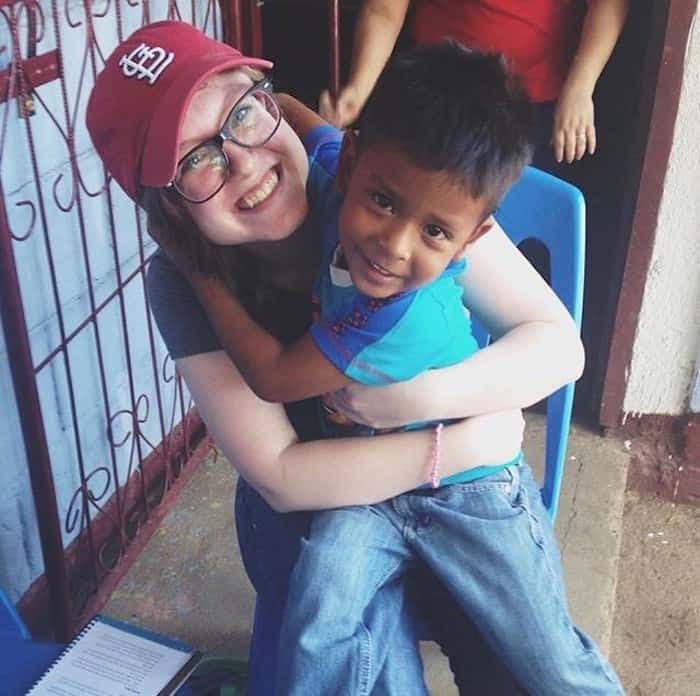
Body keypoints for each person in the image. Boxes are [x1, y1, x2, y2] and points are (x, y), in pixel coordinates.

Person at [86, 21, 589, 694]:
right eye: (194, 160)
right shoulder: (181, 280)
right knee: (352, 661)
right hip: (326, 507)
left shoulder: (381, 185)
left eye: (241, 112)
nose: (244, 161)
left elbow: (555, 344)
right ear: (166, 210)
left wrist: (431, 404)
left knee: (518, 662)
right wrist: (459, 445)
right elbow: (284, 475)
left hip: (461, 491)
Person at [319, 0, 629, 171]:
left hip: (530, 106)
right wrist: (359, 89)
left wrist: (580, 87)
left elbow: (609, 5)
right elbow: (385, 10)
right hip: (432, 88)